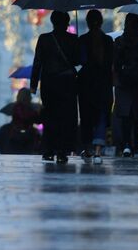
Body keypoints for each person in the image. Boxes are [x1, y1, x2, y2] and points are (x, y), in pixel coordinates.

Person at [30, 11, 79, 164]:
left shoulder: (44, 39)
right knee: (66, 117)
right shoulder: (73, 39)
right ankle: (63, 150)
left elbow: (37, 62)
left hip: (49, 83)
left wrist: (33, 85)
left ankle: (49, 149)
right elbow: (78, 61)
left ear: (52, 22)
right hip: (67, 84)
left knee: (50, 117)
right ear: (67, 23)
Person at [113, 13, 138, 158]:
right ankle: (137, 146)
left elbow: (115, 63)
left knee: (125, 115)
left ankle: (126, 145)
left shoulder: (119, 42)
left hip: (124, 82)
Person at [77, 10, 113, 164]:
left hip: (86, 83)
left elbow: (80, 60)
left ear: (87, 22)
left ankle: (87, 149)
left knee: (86, 118)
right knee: (101, 117)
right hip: (104, 83)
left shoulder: (83, 40)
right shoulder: (108, 41)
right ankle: (98, 151)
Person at [7, 88, 41, 154]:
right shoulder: (25, 108)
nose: (31, 97)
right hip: (24, 132)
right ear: (26, 97)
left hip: (18, 132)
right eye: (29, 95)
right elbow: (31, 119)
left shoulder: (17, 107)